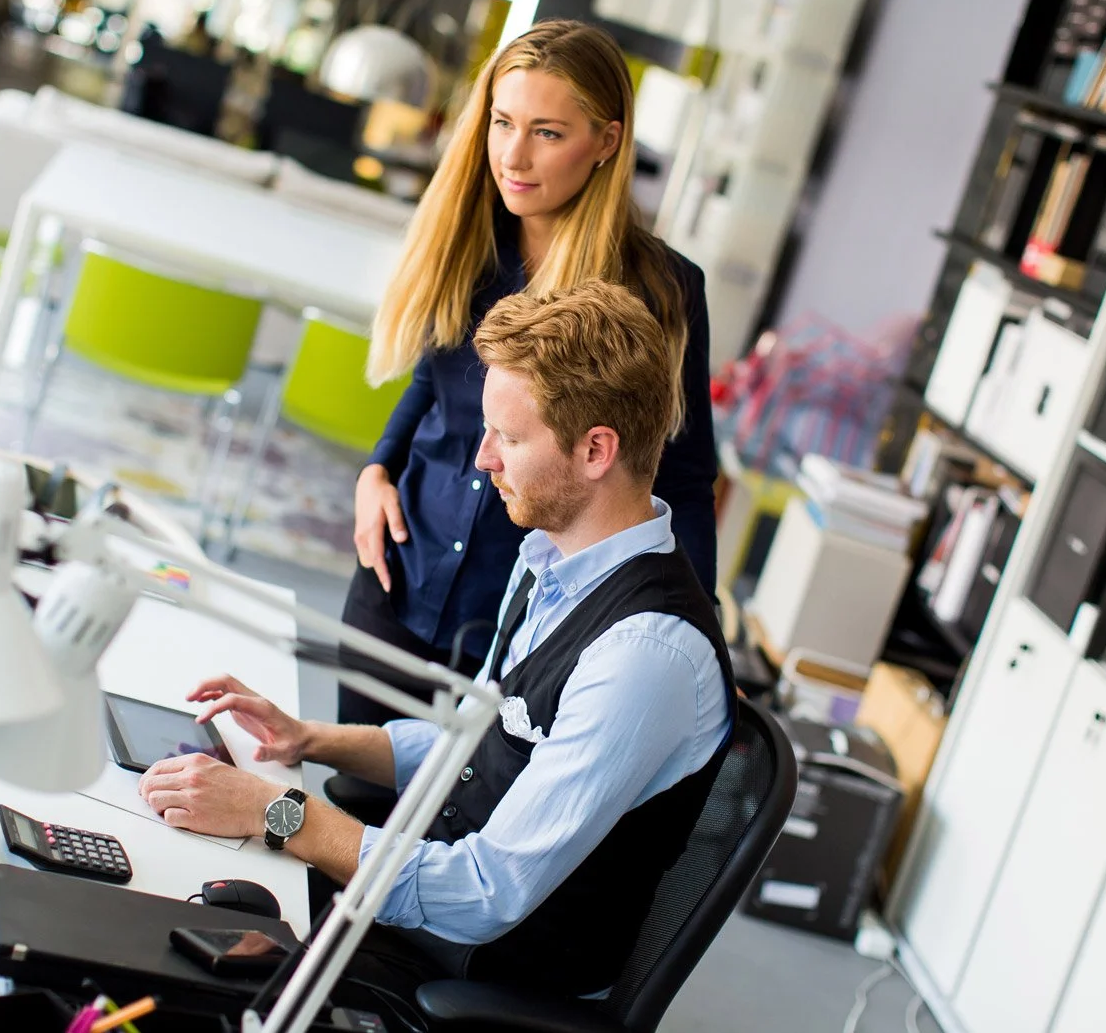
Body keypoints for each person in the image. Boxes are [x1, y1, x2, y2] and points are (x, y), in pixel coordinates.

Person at [138, 284, 735, 1019]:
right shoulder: (548, 556)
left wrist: (280, 812)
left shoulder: (648, 657)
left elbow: (485, 893)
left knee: (177, 983)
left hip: (483, 974)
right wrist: (314, 740)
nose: (483, 458)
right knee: (161, 907)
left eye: (509, 438)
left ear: (596, 449)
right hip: (424, 907)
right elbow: (478, 744)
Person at [342, 18, 719, 727]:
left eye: (547, 132)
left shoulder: (663, 292)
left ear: (606, 142)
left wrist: (695, 632)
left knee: (456, 829)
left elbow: (686, 479)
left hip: (531, 631)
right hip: (397, 578)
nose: (513, 155)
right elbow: (433, 383)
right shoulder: (466, 238)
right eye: (502, 123)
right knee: (344, 803)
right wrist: (376, 470)